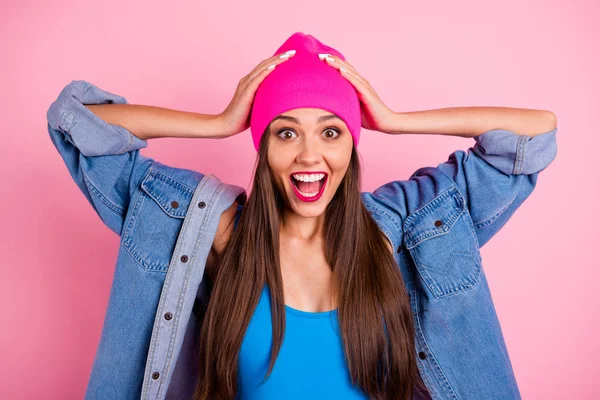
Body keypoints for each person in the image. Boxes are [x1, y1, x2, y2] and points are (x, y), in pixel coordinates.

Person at [46, 32, 558, 400]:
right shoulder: (214, 232)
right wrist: (220, 123)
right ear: (263, 144)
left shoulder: (402, 231)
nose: (310, 155)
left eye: (332, 132)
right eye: (286, 132)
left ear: (353, 146)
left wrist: (395, 121)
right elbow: (78, 124)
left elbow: (535, 135)